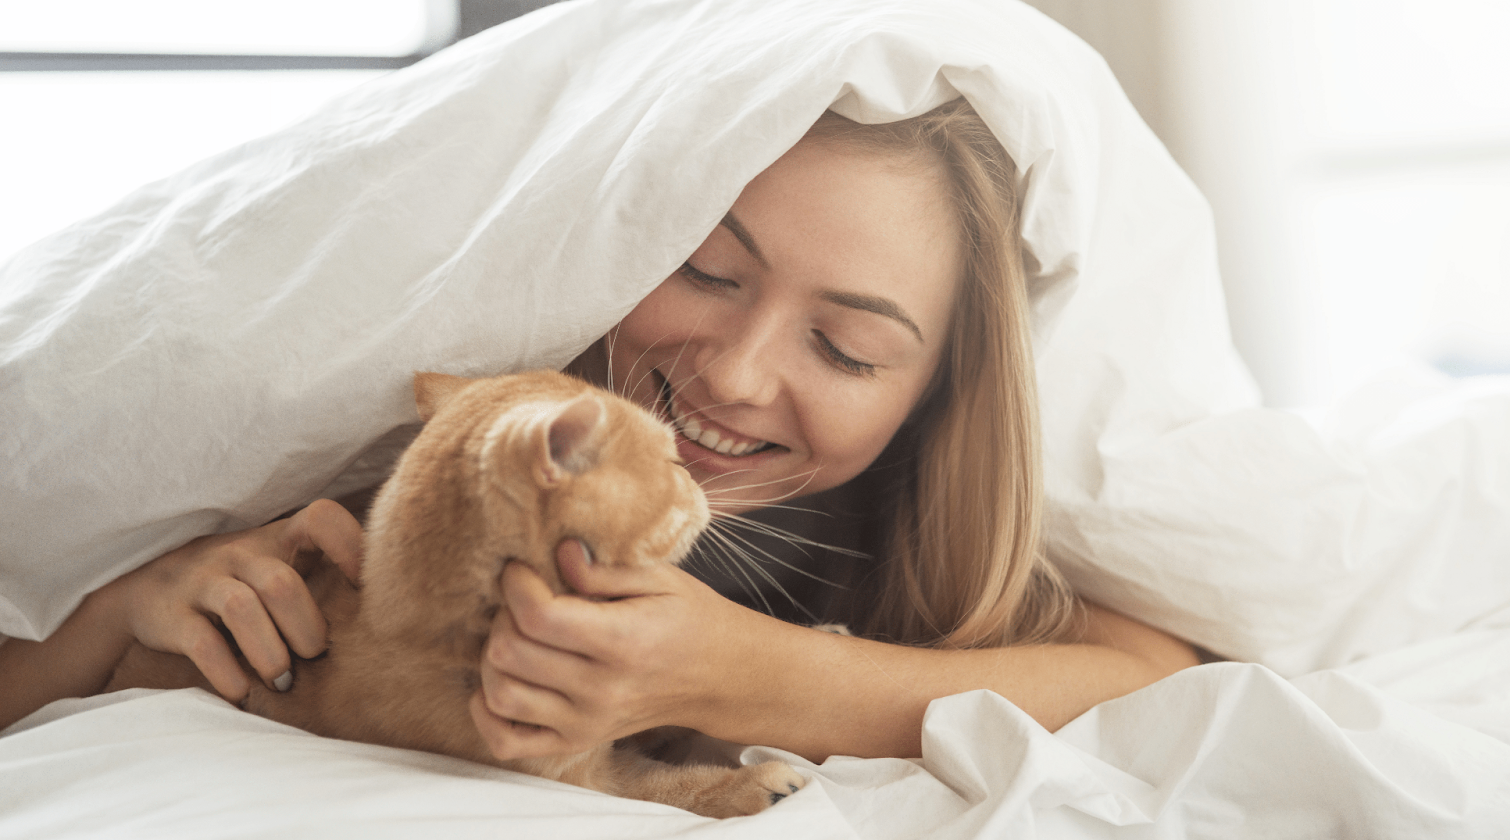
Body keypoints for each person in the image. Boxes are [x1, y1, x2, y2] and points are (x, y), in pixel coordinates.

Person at [0, 96, 1198, 759]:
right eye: (704, 272)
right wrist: (111, 615)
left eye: (846, 348)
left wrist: (751, 677)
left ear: (937, 389)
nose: (730, 374)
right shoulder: (485, 431)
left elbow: (1152, 671)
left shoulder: (911, 523)